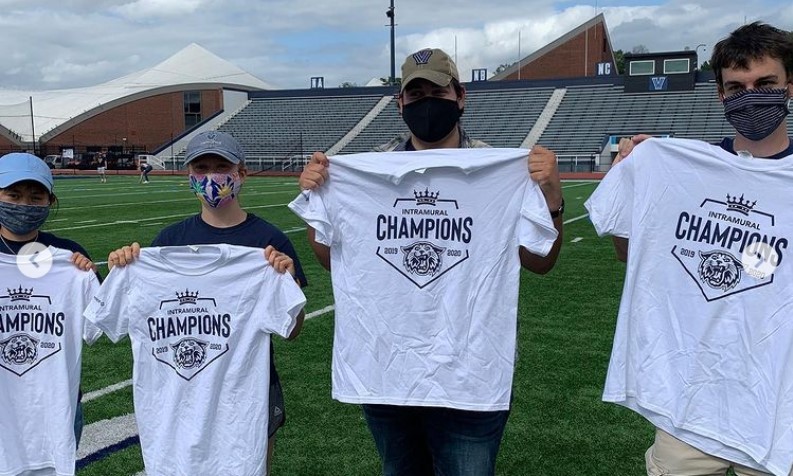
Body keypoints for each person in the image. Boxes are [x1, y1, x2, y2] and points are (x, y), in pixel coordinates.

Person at [297, 48, 564, 476]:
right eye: (415, 93)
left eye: (436, 90)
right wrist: (319, 197)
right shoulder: (368, 169)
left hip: (469, 371)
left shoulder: (501, 169)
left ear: (460, 96)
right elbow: (333, 258)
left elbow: (541, 261)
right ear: (399, 104)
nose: (425, 101)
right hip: (388, 371)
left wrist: (551, 197)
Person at [587, 22, 793, 476]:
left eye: (765, 84)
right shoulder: (681, 168)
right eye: (736, 87)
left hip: (776, 411)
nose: (750, 96)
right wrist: (633, 178)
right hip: (688, 403)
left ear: (789, 87)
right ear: (720, 95)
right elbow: (628, 253)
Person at [108, 130, 307, 475]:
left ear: (241, 173)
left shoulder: (268, 242)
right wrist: (123, 269)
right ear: (190, 176)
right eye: (202, 168)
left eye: (221, 167)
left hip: (249, 390)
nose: (211, 177)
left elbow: (291, 330)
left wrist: (285, 283)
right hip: (179, 391)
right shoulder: (167, 243)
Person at [0, 152, 99, 475]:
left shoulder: (69, 260)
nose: (24, 205)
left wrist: (87, 274)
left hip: (57, 407)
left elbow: (98, 323)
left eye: (35, 196)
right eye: (13, 195)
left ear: (49, 201)